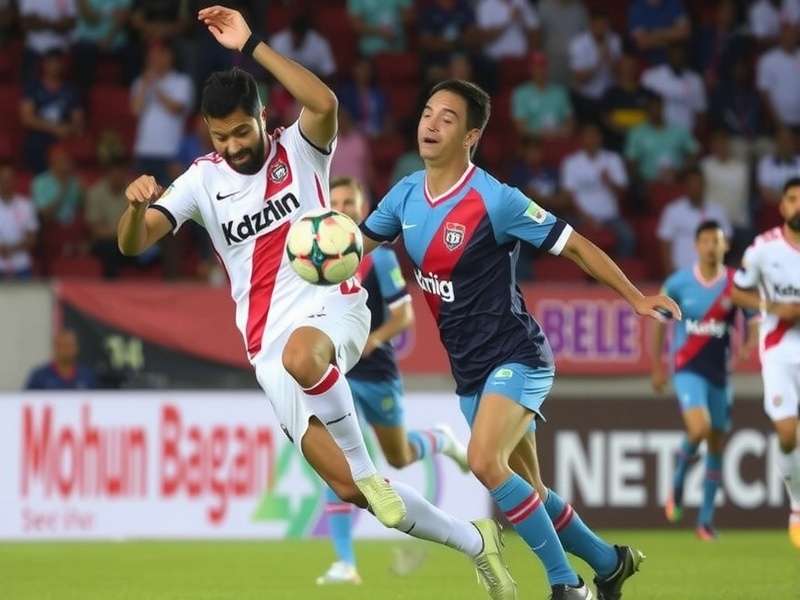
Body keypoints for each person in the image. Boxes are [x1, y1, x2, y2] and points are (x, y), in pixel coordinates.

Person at [116, 7, 514, 596]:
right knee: (353, 490)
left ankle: (370, 469)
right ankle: (476, 541)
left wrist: (251, 43)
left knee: (309, 363)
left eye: (242, 132)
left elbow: (325, 102)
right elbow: (135, 244)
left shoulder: (300, 150)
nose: (233, 146)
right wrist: (132, 207)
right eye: (220, 137)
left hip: (335, 309)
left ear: (260, 116)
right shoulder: (201, 180)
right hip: (264, 346)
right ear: (207, 132)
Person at [359, 77, 681, 599]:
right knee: (528, 490)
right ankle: (610, 561)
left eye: (447, 118)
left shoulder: (496, 199)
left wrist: (635, 297)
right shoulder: (402, 196)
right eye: (427, 112)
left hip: (517, 356)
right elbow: (351, 250)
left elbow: (575, 246)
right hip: (469, 370)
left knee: (486, 462)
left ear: (472, 136)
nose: (431, 124)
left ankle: (566, 585)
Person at [317, 176, 470, 585]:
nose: (342, 207)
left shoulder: (380, 259)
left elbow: (403, 316)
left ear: (362, 209)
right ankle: (345, 563)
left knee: (399, 455)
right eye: (335, 201)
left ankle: (441, 439)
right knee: (342, 464)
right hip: (337, 374)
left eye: (350, 201)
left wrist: (374, 340)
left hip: (377, 372)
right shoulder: (315, 257)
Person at [651, 220, 758, 540]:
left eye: (718, 241)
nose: (712, 246)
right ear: (697, 246)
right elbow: (659, 322)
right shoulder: (679, 283)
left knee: (715, 443)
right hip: (687, 368)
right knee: (698, 428)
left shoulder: (736, 283)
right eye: (707, 241)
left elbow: (754, 319)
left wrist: (750, 343)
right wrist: (657, 364)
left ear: (726, 246)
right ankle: (678, 485)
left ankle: (705, 522)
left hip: (720, 374)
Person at [731, 177, 800, 549]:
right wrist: (774, 307)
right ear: (783, 206)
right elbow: (737, 291)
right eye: (793, 199)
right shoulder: (763, 248)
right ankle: (798, 505)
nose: (798, 206)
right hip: (779, 349)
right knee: (788, 434)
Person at [561, 123, 635, 257]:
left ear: (600, 138)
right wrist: (586, 218)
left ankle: (617, 275)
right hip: (580, 217)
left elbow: (623, 194)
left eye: (594, 136)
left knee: (628, 237)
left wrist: (610, 182)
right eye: (588, 136)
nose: (591, 140)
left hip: (610, 217)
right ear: (582, 139)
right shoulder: (572, 162)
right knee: (561, 237)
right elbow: (568, 196)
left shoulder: (613, 159)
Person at [131, 42, 194, 186]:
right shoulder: (141, 82)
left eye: (158, 55)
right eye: (151, 57)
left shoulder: (182, 81)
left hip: (171, 151)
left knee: (168, 200)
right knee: (143, 203)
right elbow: (136, 110)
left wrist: (156, 86)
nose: (153, 60)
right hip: (144, 151)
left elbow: (176, 109)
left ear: (169, 56)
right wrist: (146, 86)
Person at [21, 49, 84, 174]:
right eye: (51, 62)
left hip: (63, 134)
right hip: (40, 133)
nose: (54, 66)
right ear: (44, 64)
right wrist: (54, 128)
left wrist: (68, 129)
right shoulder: (33, 87)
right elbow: (27, 118)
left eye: (57, 63)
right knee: (34, 144)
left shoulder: (70, 90)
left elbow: (78, 121)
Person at [657, 167, 731, 273]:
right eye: (691, 184)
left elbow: (726, 240)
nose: (695, 188)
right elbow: (664, 243)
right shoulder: (673, 210)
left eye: (698, 184)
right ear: (685, 187)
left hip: (710, 272)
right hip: (680, 271)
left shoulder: (717, 211)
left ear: (704, 186)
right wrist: (669, 273)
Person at [625, 92, 698, 184]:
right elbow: (631, 161)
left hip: (677, 181)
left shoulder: (678, 130)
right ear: (647, 109)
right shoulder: (637, 132)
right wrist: (641, 182)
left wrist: (681, 172)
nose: (655, 111)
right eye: (652, 107)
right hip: (649, 184)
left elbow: (694, 151)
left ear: (663, 108)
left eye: (658, 107)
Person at [568, 9, 621, 122]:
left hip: (609, 97)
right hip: (586, 97)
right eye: (599, 25)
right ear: (591, 25)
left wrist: (610, 59)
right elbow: (580, 79)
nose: (602, 28)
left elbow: (621, 75)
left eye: (605, 25)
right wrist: (598, 62)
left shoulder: (614, 40)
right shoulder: (578, 44)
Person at [641, 43, 706, 132]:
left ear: (686, 57)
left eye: (681, 55)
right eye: (675, 54)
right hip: (656, 134)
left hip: (684, 133)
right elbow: (642, 105)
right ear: (668, 55)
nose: (678, 58)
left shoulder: (695, 80)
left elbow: (700, 111)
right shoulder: (652, 77)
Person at [86, 153, 133, 278]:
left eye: (122, 173)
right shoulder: (95, 193)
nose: (119, 177)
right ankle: (111, 289)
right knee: (109, 247)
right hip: (106, 242)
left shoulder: (135, 192)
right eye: (115, 173)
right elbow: (97, 231)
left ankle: (169, 285)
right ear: (108, 174)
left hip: (132, 242)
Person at [512, 51, 573, 138]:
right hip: (534, 143)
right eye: (536, 67)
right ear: (530, 69)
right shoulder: (521, 93)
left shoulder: (560, 92)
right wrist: (542, 134)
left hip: (557, 140)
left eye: (542, 66)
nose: (540, 70)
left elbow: (570, 123)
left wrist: (557, 134)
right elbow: (520, 128)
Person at [757, 22, 800, 132]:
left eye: (794, 34)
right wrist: (778, 124)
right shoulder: (767, 60)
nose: (791, 37)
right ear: (781, 36)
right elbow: (764, 93)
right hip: (777, 122)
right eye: (788, 34)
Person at [268, 12, 336, 80]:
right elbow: (269, 74)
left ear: (306, 33)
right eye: (295, 34)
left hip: (310, 85)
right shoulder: (277, 42)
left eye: (300, 35)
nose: (297, 38)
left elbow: (329, 74)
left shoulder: (320, 44)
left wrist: (305, 76)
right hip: (283, 85)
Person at [0, 163, 38, 280]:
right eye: (3, 179)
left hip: (22, 267)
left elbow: (32, 239)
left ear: (15, 181)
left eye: (9, 179)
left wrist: (12, 249)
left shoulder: (26, 205)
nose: (7, 183)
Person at [25, 329, 97, 390]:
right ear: (55, 347)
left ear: (76, 348)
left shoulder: (87, 376)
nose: (66, 350)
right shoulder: (39, 377)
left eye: (69, 345)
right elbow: (26, 402)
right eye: (62, 346)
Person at [628, 0, 690, 65]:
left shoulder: (674, 2)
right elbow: (642, 43)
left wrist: (652, 34)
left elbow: (685, 32)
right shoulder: (637, 8)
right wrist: (673, 36)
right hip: (650, 64)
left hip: (677, 63)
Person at [347, 0, 413, 58]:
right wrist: (380, 31)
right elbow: (356, 26)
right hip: (370, 52)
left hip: (398, 50)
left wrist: (401, 20)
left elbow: (409, 16)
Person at [757, 127, 800, 204]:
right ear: (776, 143)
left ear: (793, 143)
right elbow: (765, 193)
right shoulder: (766, 162)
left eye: (788, 141)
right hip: (774, 207)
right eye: (782, 141)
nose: (785, 144)